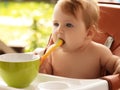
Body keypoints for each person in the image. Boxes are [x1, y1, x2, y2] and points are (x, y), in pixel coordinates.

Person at [39, 0, 120, 79]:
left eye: (68, 25)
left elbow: (115, 63)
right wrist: (38, 66)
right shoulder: (52, 53)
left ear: (89, 33)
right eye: (56, 24)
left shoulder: (99, 52)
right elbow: (44, 77)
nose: (59, 30)